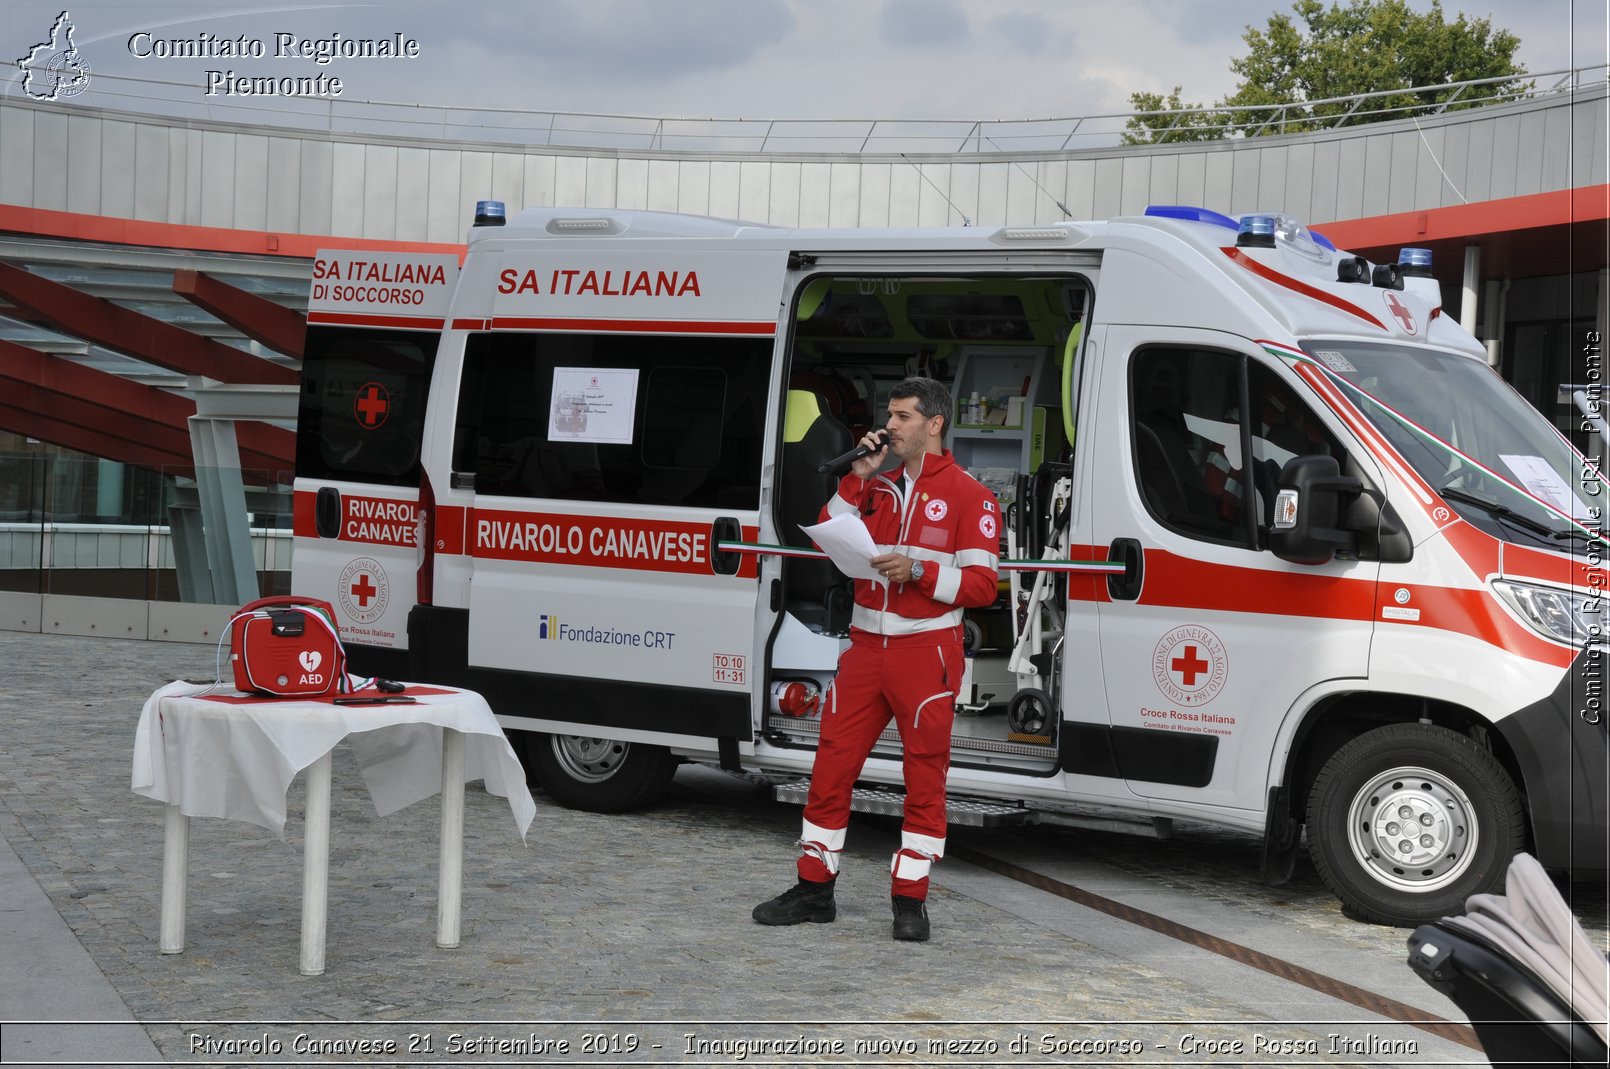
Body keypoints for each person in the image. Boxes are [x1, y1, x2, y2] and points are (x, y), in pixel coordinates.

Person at [752, 376, 1001, 941]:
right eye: (890, 415)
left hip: (925, 650)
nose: (890, 426)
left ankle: (910, 900)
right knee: (831, 766)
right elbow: (829, 534)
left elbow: (985, 585)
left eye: (904, 416)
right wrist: (855, 477)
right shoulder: (878, 486)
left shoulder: (971, 497)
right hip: (864, 647)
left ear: (934, 423)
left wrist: (920, 571)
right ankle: (814, 890)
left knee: (924, 775)